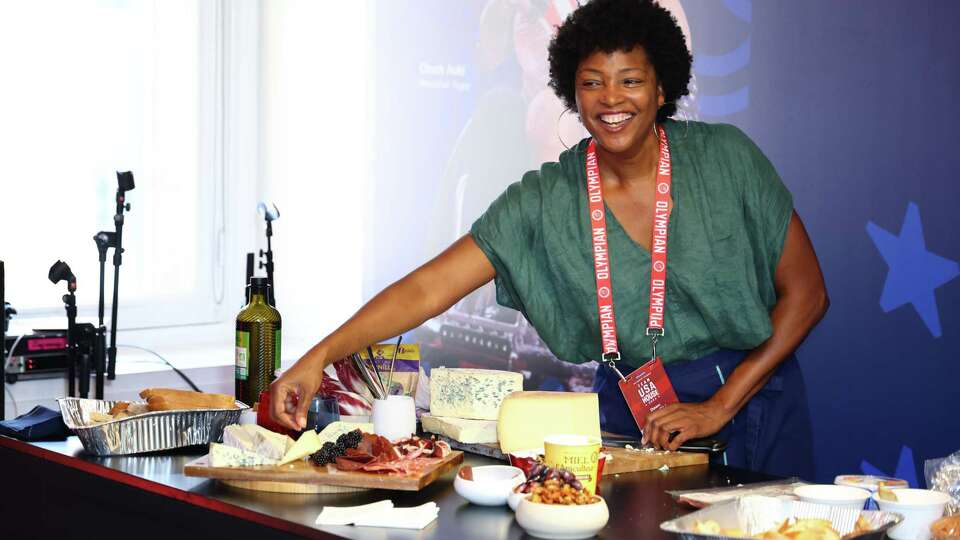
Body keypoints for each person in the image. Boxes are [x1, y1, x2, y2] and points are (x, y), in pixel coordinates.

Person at [271, 0, 828, 479]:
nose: (612, 99)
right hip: (631, 413)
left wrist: (719, 405)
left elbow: (807, 295)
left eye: (630, 79)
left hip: (750, 401)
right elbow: (428, 288)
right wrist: (319, 355)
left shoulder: (726, 159)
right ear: (570, 91)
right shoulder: (546, 197)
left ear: (663, 89)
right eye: (592, 82)